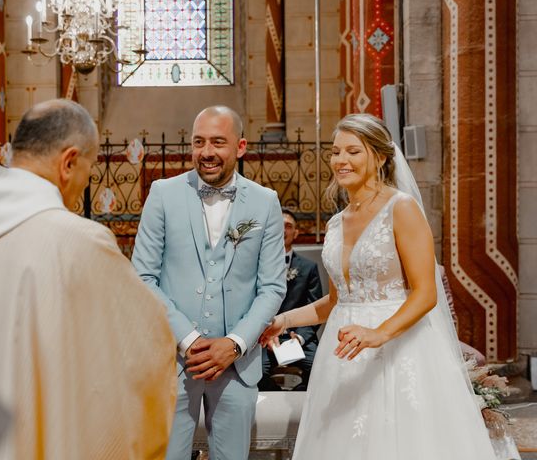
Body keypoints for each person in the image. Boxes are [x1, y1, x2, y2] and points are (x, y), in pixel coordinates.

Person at [0, 99, 177, 460]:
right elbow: (140, 358)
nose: (84, 183)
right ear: (69, 162)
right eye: (89, 171)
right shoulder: (79, 244)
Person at [260, 113, 496, 459]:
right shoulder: (338, 222)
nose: (341, 160)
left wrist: (379, 334)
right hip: (342, 351)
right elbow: (338, 301)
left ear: (380, 156)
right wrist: (285, 320)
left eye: (354, 152)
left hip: (399, 347)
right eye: (336, 152)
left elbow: (425, 293)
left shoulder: (400, 208)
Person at [132, 105, 286, 460]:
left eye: (218, 142)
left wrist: (234, 343)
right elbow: (142, 277)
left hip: (236, 364)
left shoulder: (265, 203)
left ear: (241, 147)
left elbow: (273, 287)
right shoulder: (162, 193)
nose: (207, 152)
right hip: (171, 361)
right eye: (199, 142)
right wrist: (190, 340)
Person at [258, 208, 322, 391]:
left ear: (296, 233)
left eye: (288, 226)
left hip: (298, 336)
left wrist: (300, 337)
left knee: (318, 370)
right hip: (263, 336)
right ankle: (273, 411)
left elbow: (314, 306)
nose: (283, 230)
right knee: (258, 372)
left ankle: (301, 412)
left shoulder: (309, 268)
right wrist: (265, 333)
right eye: (279, 226)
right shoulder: (257, 265)